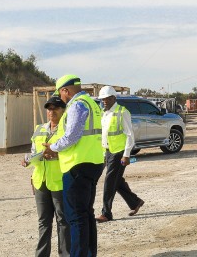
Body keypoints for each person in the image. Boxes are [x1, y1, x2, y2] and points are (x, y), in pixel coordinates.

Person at [42, 74, 105, 257]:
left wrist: (53, 147)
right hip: (92, 163)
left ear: (65, 91)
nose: (60, 98)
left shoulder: (77, 105)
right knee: (86, 214)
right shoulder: (92, 103)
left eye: (60, 94)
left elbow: (72, 136)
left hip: (77, 165)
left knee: (76, 217)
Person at [22, 96, 70, 257]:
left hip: (59, 181)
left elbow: (72, 154)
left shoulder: (68, 130)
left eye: (55, 108)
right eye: (49, 109)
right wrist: (28, 160)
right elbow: (33, 151)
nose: (51, 111)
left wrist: (57, 156)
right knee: (43, 222)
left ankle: (65, 254)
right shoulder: (39, 128)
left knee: (63, 221)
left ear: (63, 110)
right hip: (40, 181)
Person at [96, 86, 144, 223]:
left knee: (109, 182)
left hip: (119, 152)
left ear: (113, 98)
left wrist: (127, 154)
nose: (104, 101)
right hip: (107, 151)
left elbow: (130, 135)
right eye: (102, 99)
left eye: (107, 98)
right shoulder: (103, 113)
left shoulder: (122, 112)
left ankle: (106, 213)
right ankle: (135, 202)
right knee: (116, 181)